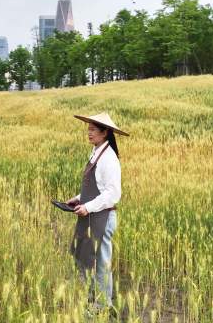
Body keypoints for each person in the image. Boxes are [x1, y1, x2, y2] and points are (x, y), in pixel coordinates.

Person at [65, 112, 129, 312]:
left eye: (93, 130)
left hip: (102, 217)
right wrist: (79, 198)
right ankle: (94, 301)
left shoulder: (109, 158)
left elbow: (112, 193)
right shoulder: (96, 152)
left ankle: (103, 306)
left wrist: (88, 206)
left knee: (101, 263)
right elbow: (97, 187)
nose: (89, 133)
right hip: (92, 216)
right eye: (88, 129)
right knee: (87, 257)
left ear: (105, 133)